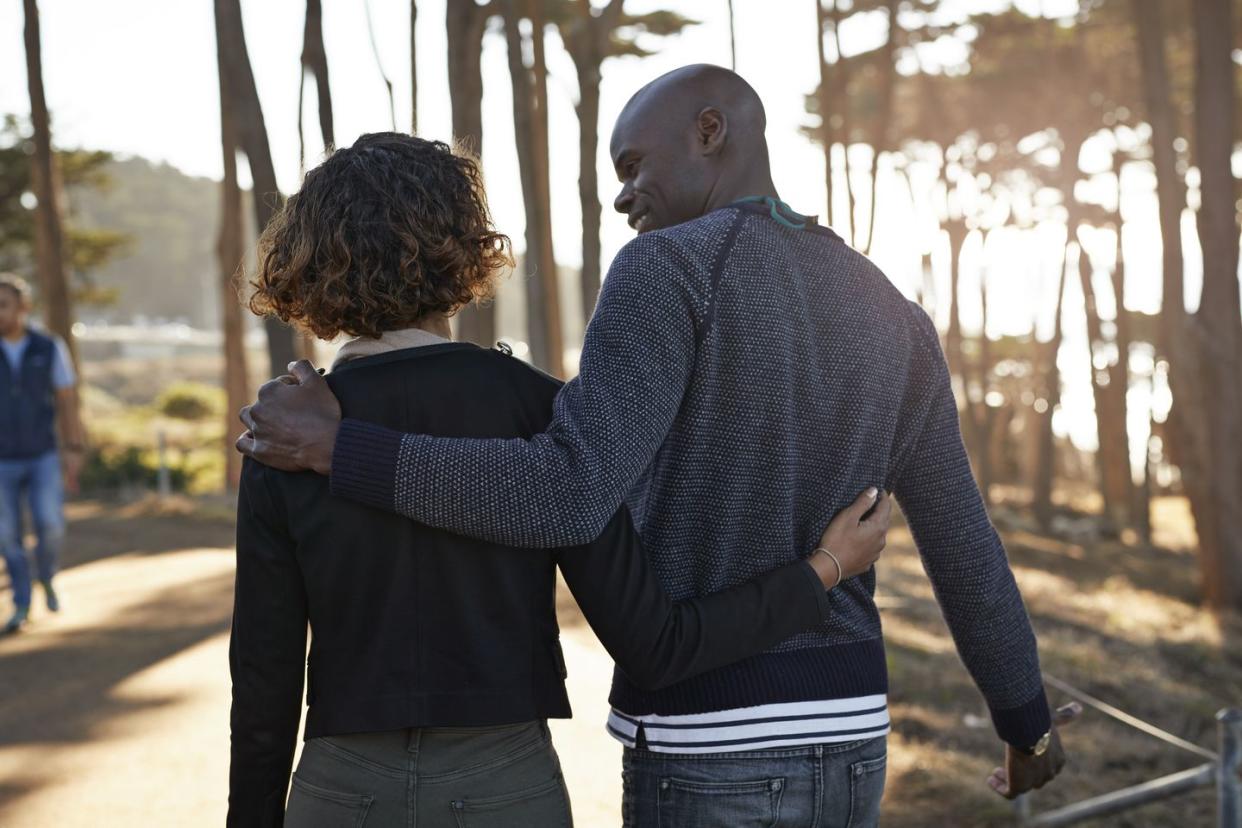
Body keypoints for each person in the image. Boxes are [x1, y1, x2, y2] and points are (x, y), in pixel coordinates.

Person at [240, 65, 1073, 824]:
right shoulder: (898, 314)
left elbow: (566, 493)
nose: (624, 197)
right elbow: (962, 539)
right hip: (852, 735)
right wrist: (1025, 722)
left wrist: (341, 451)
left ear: (711, 132)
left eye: (634, 166)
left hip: (706, 744)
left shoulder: (662, 270)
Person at [0, 273, 85, 635]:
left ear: (23, 307)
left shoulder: (49, 347)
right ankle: (21, 600)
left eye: (3, 304)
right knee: (6, 535)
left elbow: (67, 402)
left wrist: (74, 447)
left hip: (43, 456)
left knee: (49, 524)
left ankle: (47, 576)